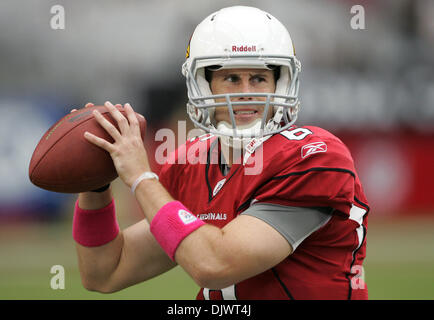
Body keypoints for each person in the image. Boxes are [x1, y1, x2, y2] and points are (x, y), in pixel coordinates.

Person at [73, 6, 369, 300]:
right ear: (204, 86)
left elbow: (215, 265)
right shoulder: (192, 163)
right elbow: (105, 271)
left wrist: (141, 177)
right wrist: (94, 185)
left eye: (258, 78)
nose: (245, 92)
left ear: (280, 83)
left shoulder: (313, 156)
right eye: (231, 79)